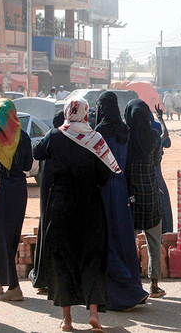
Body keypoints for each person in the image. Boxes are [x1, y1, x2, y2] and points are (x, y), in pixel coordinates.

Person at [33, 98, 120, 333]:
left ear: (65, 113)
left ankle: (67, 320)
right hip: (89, 205)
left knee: (62, 259)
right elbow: (107, 174)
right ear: (85, 114)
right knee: (92, 257)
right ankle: (93, 314)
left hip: (60, 206)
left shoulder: (55, 135)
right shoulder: (94, 139)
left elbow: (37, 151)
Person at [95, 91, 149, 311]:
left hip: (104, 191)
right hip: (122, 190)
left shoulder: (99, 133)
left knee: (108, 242)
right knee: (124, 239)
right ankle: (133, 286)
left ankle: (127, 292)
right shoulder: (125, 131)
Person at [0, 99, 33, 302]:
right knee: (11, 237)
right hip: (18, 193)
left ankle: (10, 286)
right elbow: (28, 165)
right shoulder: (24, 137)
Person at [124, 99, 166, 298]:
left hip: (130, 194)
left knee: (129, 241)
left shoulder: (125, 137)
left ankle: (131, 283)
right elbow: (157, 160)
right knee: (154, 243)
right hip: (151, 193)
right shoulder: (154, 136)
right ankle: (155, 284)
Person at [29, 110, 64, 295]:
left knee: (46, 235)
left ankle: (43, 279)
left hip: (48, 200)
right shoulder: (68, 140)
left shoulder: (50, 139)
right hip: (62, 200)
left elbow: (36, 153)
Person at [151, 108, 173, 234]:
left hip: (139, 181)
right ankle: (166, 234)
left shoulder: (131, 133)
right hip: (157, 178)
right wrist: (160, 119)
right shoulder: (155, 135)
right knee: (163, 207)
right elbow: (166, 140)